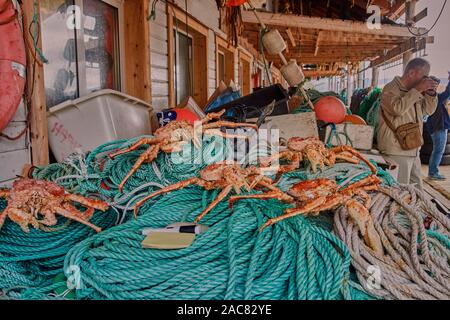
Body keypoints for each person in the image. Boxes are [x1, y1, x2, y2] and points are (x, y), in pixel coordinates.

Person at [377, 58, 439, 190]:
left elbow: (428, 111)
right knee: (399, 191)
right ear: (411, 73)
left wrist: (430, 93)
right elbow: (397, 109)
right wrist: (418, 89)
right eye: (424, 76)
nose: (425, 80)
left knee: (417, 191)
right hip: (396, 151)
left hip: (413, 149)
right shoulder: (390, 88)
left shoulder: (415, 91)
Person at [425, 72, 450, 180]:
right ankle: (433, 172)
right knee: (438, 151)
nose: (435, 87)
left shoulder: (430, 97)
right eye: (433, 85)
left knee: (437, 151)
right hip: (438, 128)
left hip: (436, 127)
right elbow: (447, 93)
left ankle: (433, 171)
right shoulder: (435, 98)